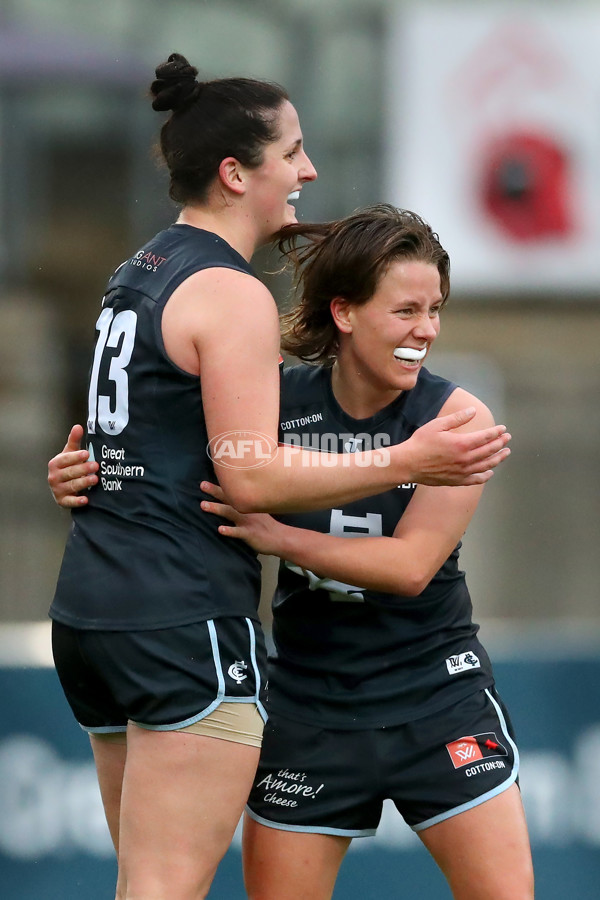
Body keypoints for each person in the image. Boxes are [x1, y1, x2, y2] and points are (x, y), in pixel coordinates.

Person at [47, 53, 511, 900]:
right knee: (162, 888)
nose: (308, 170)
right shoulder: (228, 291)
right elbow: (249, 476)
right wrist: (409, 461)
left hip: (93, 613)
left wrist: (84, 473)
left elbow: (141, 435)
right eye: (292, 151)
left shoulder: (139, 270)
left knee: (140, 882)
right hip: (181, 618)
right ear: (235, 173)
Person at [196, 206, 534, 900]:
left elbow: (410, 568)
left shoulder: (457, 420)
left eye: (435, 309)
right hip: (310, 703)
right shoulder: (273, 404)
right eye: (406, 310)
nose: (427, 331)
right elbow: (175, 470)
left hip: (437, 695)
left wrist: (279, 538)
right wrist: (80, 475)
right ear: (345, 313)